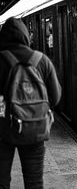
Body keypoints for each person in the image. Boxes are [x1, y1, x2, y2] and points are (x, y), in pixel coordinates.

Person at [0, 17, 61, 189]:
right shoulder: (42, 61)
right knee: (34, 182)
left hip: (3, 130)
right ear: (26, 36)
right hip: (34, 130)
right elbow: (55, 98)